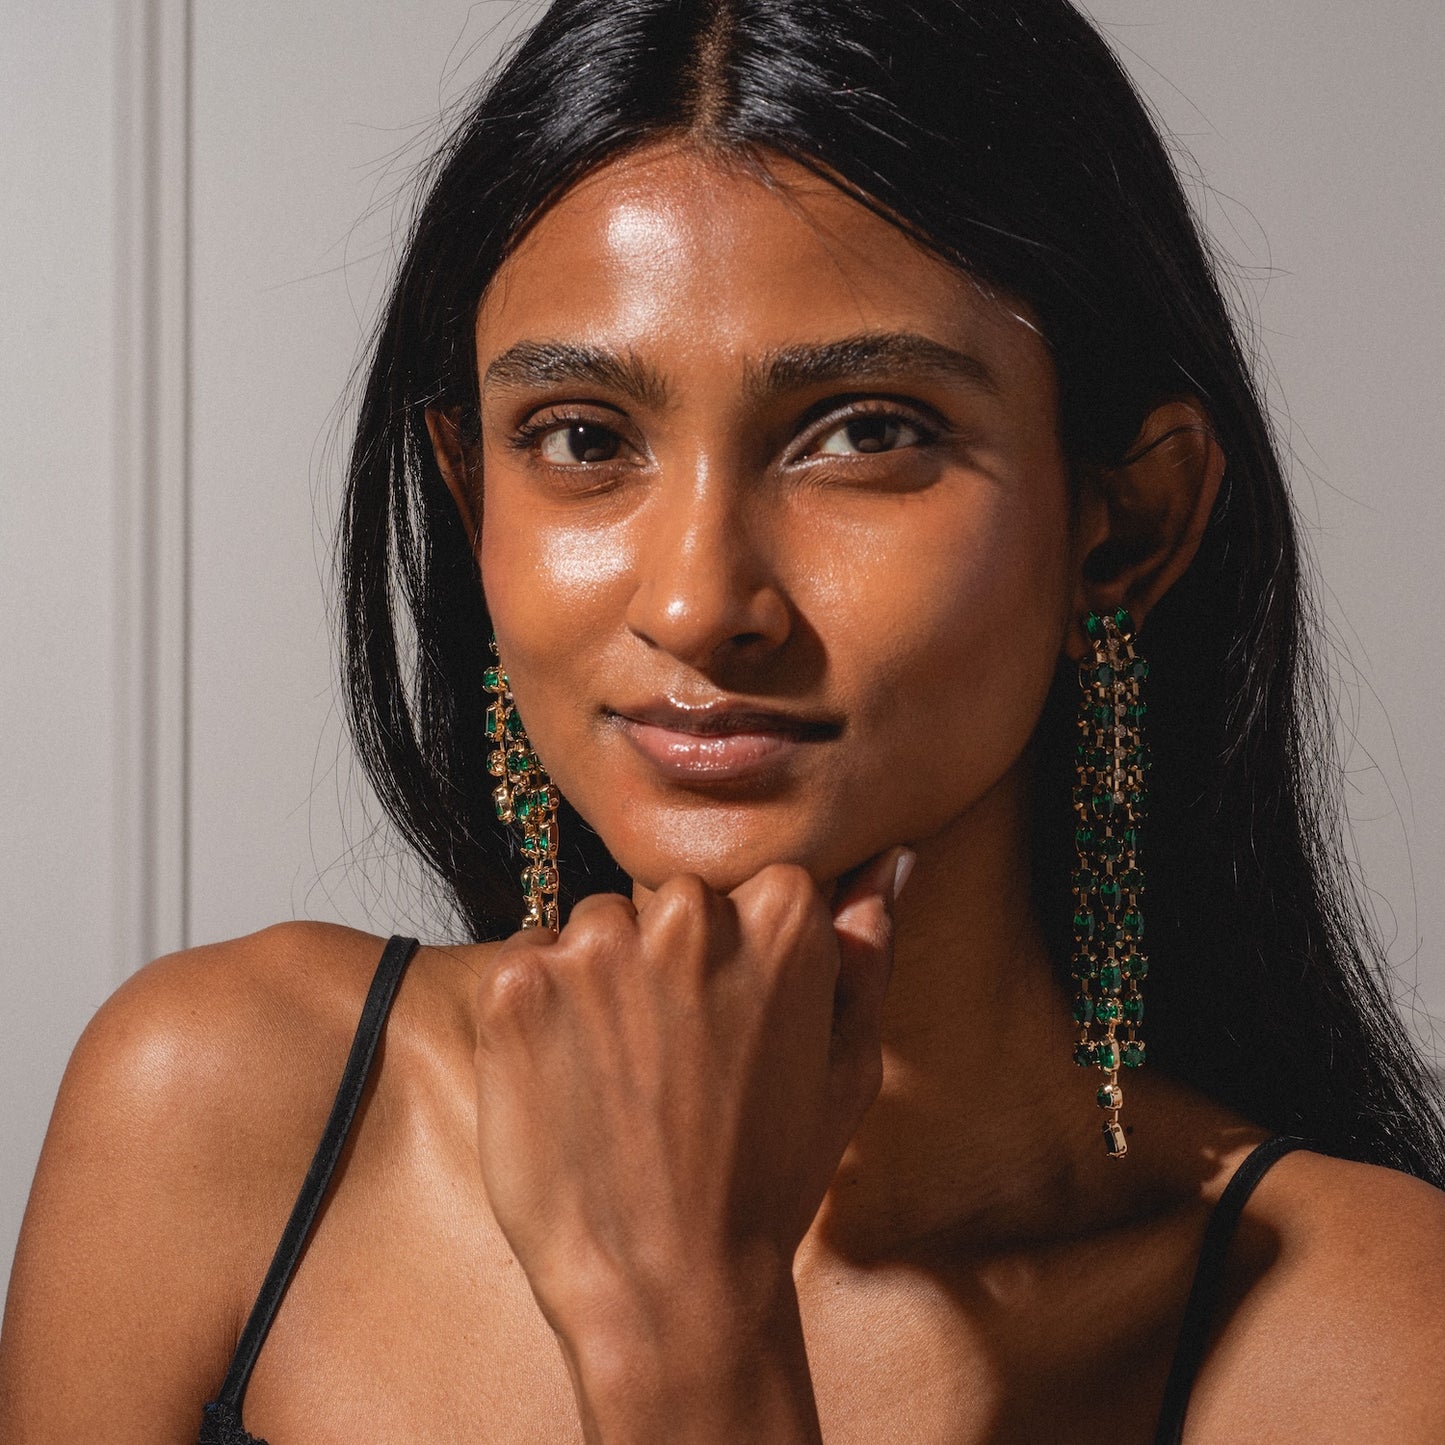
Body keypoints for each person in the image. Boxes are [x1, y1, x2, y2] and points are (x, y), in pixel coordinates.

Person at [2, 0, 1443, 1439]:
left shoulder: (1357, 1322)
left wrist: (689, 1323)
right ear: (471, 493)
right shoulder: (217, 1110)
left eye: (867, 430)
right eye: (580, 438)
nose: (698, 603)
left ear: (1124, 524)